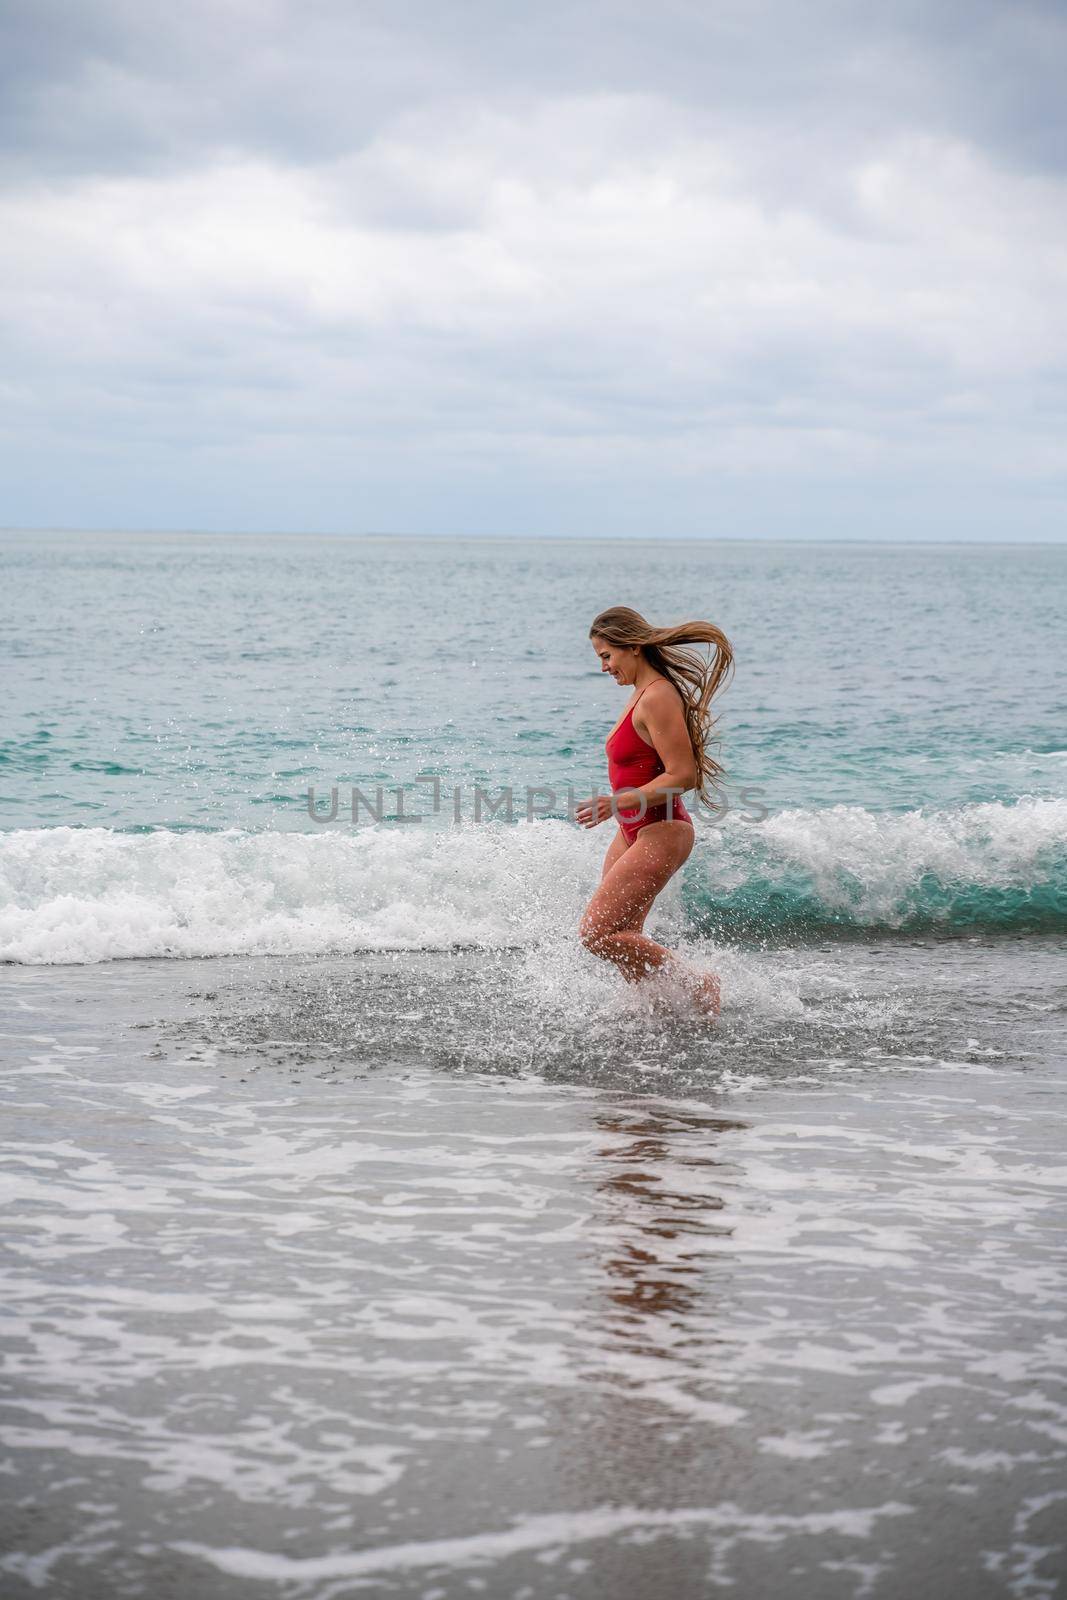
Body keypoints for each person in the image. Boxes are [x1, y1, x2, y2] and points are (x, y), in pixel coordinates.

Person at [576, 606, 733, 1018]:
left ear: (632, 647)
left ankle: (697, 983)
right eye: (601, 659)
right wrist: (621, 810)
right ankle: (659, 1009)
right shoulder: (640, 695)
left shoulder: (659, 695)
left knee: (597, 933)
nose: (605, 667)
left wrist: (617, 803)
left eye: (607, 655)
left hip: (662, 831)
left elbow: (684, 775)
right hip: (633, 832)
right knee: (623, 934)